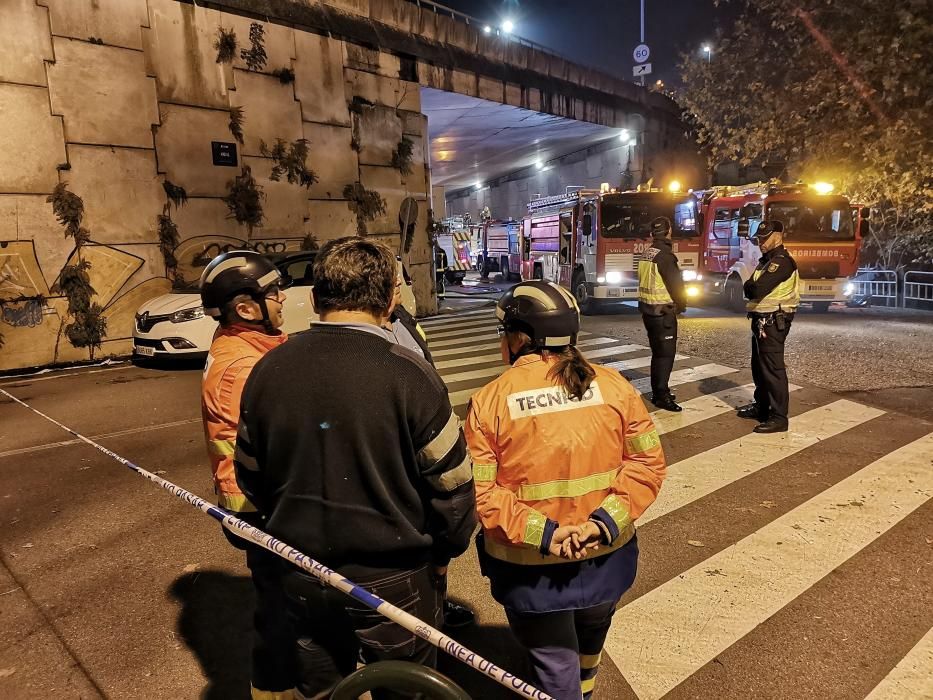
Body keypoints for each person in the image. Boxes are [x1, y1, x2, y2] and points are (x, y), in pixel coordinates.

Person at [234, 237, 476, 699]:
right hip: (395, 581)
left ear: (315, 297)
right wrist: (443, 554)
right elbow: (453, 486)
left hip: (299, 573)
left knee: (322, 690)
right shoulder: (410, 374)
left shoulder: (268, 370)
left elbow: (249, 474)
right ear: (389, 301)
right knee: (405, 690)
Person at [465, 280, 667, 700]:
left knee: (555, 666)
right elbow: (647, 464)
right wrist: (599, 525)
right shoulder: (614, 386)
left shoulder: (491, 401)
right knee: (590, 639)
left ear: (520, 336)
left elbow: (482, 495)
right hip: (606, 557)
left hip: (532, 568)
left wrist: (548, 533)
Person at [199, 250, 296, 700]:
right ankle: (274, 689)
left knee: (282, 605)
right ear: (245, 308)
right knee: (281, 613)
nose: (282, 300)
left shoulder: (251, 348)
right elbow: (284, 445)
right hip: (259, 509)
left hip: (259, 503)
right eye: (273, 293)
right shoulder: (241, 368)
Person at [382, 269, 476, 630]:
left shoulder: (403, 318)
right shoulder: (374, 334)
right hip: (401, 443)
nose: (399, 291)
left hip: (422, 433)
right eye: (393, 285)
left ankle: (435, 604)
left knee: (430, 534)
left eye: (398, 283)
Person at [738, 220, 800, 433]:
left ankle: (779, 417)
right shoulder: (766, 261)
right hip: (762, 320)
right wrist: (751, 286)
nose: (760, 243)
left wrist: (752, 286)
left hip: (774, 321)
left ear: (779, 236)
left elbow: (756, 289)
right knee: (759, 367)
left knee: (773, 369)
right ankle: (763, 406)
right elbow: (749, 287)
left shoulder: (782, 262)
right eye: (758, 239)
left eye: (765, 238)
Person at [637, 216, 687, 412]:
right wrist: (681, 305)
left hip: (648, 311)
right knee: (665, 355)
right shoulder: (665, 255)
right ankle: (661, 395)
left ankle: (659, 390)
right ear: (669, 232)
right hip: (663, 313)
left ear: (652, 234)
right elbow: (676, 286)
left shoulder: (647, 253)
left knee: (658, 354)